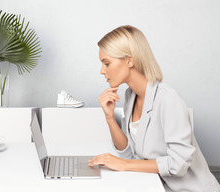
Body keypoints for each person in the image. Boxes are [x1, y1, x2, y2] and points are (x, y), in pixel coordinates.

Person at [88, 25, 220, 192]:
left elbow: (178, 164)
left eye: (106, 63)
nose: (101, 71)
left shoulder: (168, 99)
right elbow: (129, 154)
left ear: (129, 60)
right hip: (155, 185)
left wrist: (125, 164)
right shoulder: (131, 96)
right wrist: (109, 117)